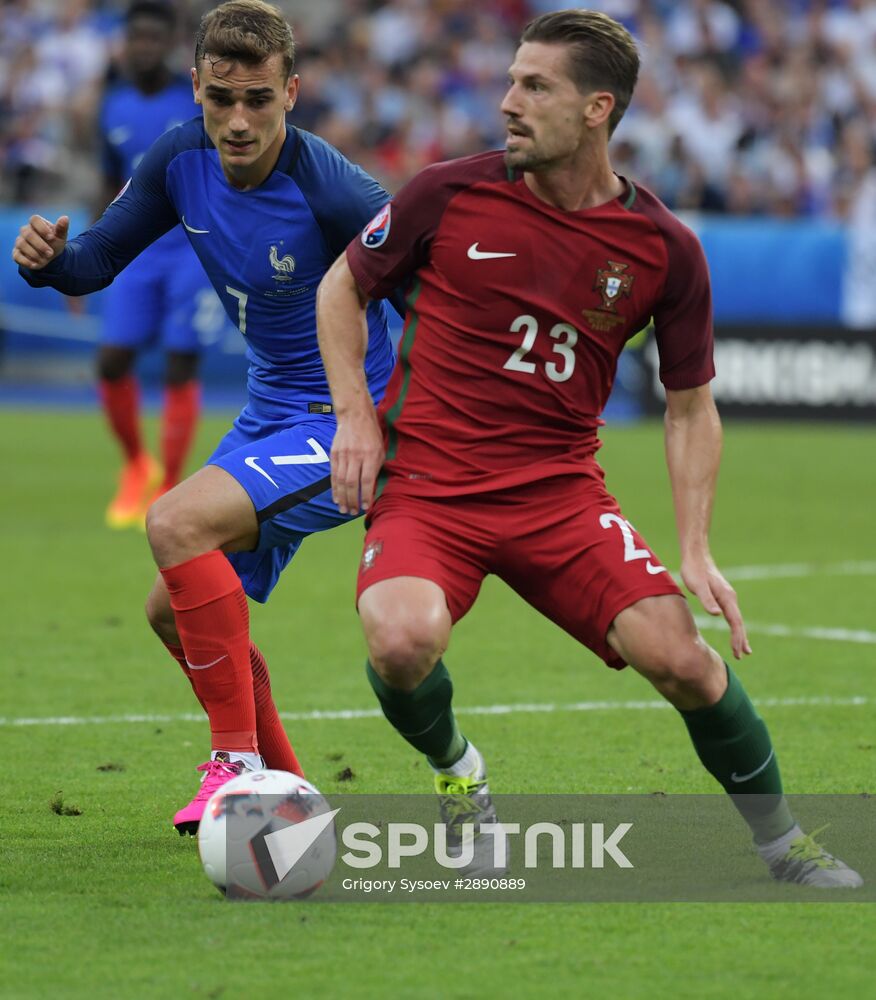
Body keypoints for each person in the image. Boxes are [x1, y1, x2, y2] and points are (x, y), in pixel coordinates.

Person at [316, 9, 861, 888]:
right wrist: (354, 414)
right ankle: (460, 775)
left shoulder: (665, 249)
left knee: (685, 661)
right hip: (429, 486)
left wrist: (696, 548)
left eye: (535, 86)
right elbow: (342, 286)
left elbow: (690, 407)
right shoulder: (446, 193)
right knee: (400, 638)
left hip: (559, 496)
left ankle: (783, 841)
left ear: (597, 108)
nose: (508, 103)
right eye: (510, 81)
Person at [13, 0, 395, 835]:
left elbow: (433, 293)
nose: (238, 119)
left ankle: (236, 765)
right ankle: (297, 801)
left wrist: (392, 421)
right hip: (270, 414)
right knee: (166, 610)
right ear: (197, 88)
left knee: (174, 523)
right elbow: (97, 261)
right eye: (221, 98)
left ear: (292, 92)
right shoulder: (177, 157)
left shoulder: (333, 188)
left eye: (258, 99)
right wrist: (50, 266)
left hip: (349, 422)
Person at [96, 0, 221, 529]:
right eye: (135, 38)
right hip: (134, 252)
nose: (143, 47)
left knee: (178, 362)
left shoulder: (194, 101)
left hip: (191, 251)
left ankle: (169, 483)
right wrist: (86, 255)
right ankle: (136, 465)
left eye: (153, 38)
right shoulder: (112, 104)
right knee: (111, 362)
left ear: (170, 43)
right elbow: (108, 183)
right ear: (124, 43)